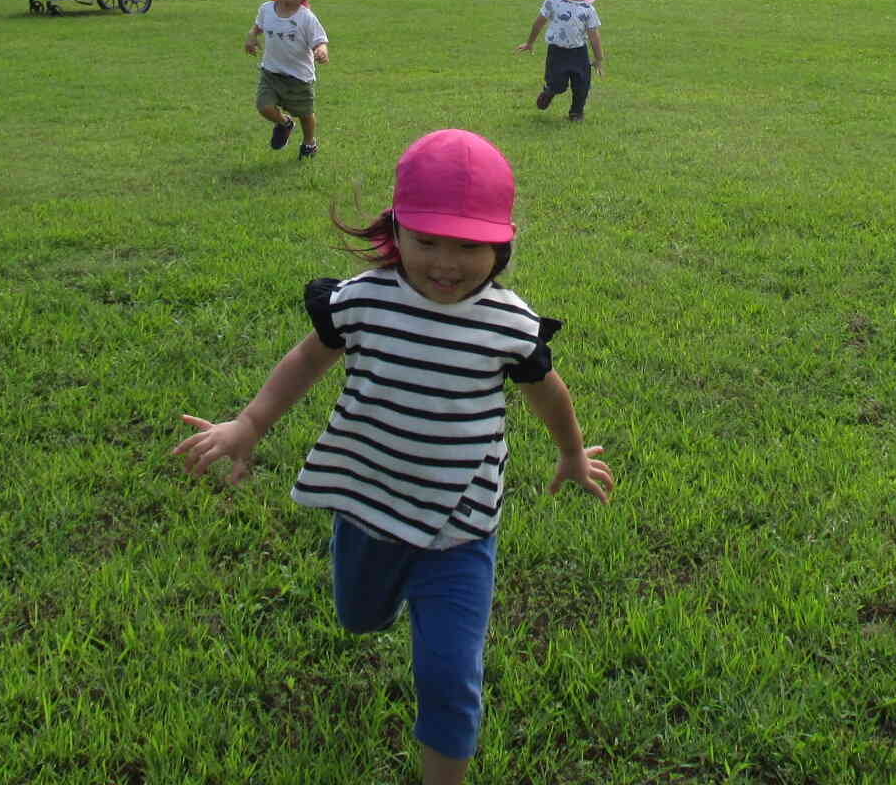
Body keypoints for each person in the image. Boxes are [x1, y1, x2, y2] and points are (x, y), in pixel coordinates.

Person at [172, 129, 614, 785]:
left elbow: (546, 392)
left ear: (501, 243)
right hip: (368, 503)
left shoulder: (510, 325)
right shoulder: (366, 301)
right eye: (427, 240)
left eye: (469, 245)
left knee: (447, 674)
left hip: (460, 525)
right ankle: (387, 596)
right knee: (359, 616)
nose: (446, 261)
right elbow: (309, 358)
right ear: (395, 231)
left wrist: (572, 455)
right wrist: (250, 422)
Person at [244, 0, 328, 159]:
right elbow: (258, 26)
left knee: (306, 115)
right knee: (263, 106)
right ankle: (284, 123)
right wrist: (252, 36)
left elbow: (320, 40)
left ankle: (309, 142)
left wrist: (321, 50)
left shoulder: (306, 18)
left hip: (299, 78)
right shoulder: (266, 9)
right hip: (271, 73)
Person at [514, 0, 603, 121]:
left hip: (579, 54)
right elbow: (538, 23)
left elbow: (594, 36)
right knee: (557, 83)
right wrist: (529, 42)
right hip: (557, 52)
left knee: (582, 85)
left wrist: (598, 58)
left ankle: (576, 112)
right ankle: (549, 91)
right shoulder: (552, 2)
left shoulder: (587, 9)